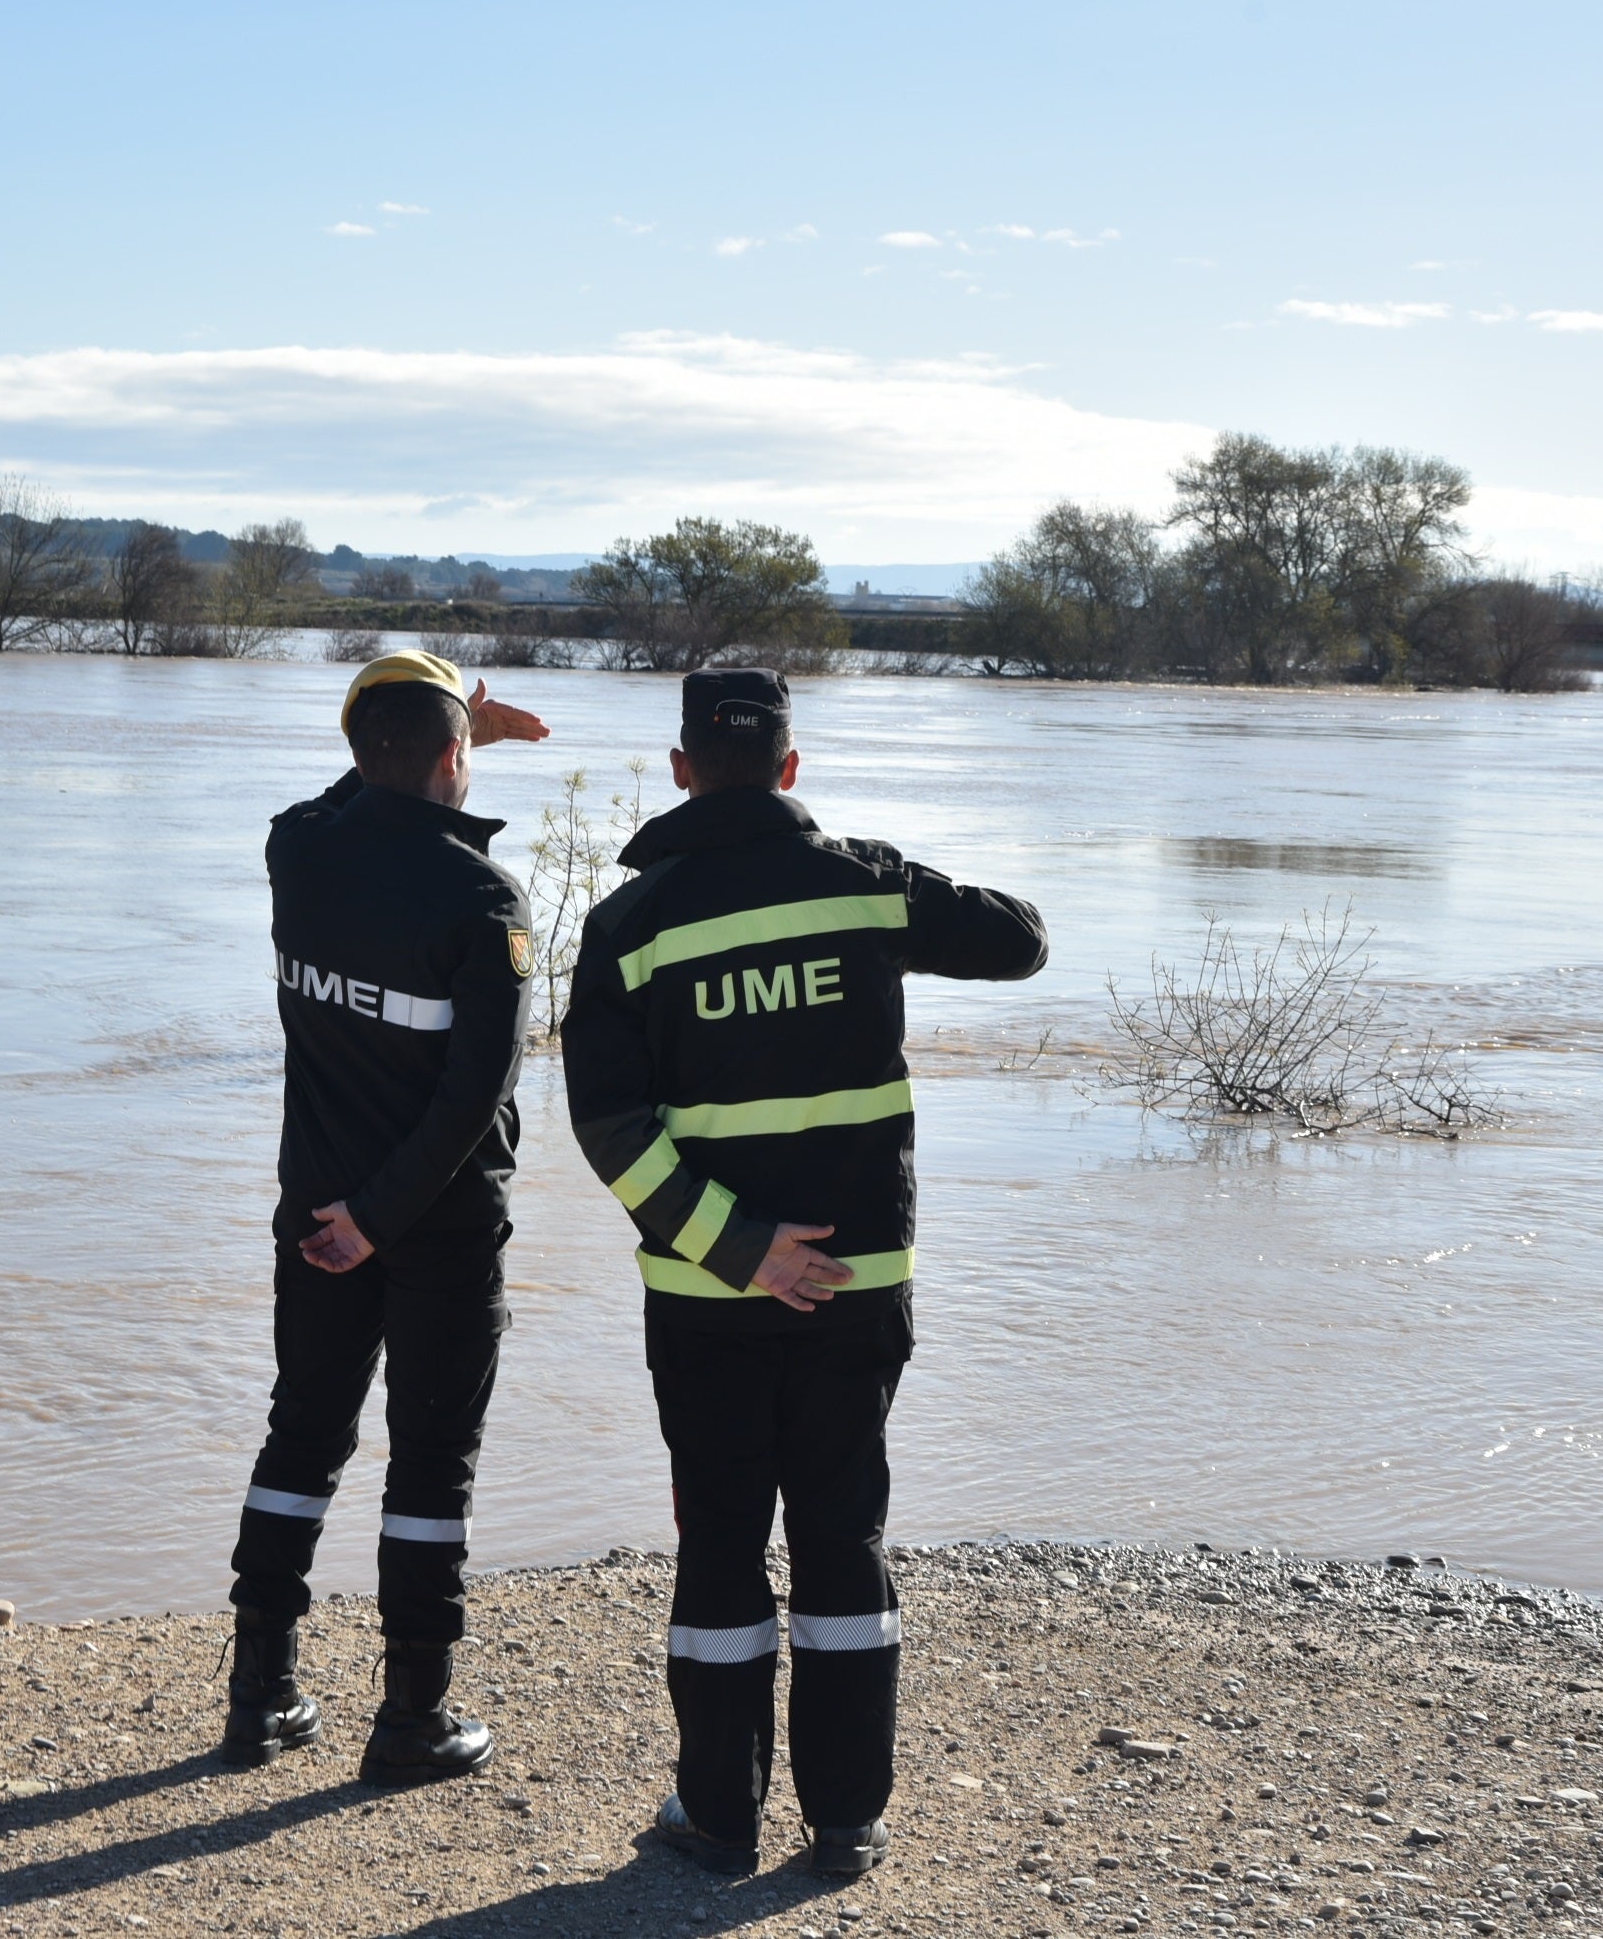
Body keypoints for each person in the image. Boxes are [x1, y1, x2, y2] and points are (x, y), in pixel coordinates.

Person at [559, 668, 1049, 1874]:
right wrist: (876, 878)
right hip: (855, 1287)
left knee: (719, 1538)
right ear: (789, 767)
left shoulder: (629, 925)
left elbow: (608, 1124)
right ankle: (846, 1816)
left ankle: (717, 1818)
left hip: (704, 1296)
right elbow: (1021, 940)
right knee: (842, 1532)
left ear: (680, 769)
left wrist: (738, 1249)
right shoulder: (865, 885)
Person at [223, 650, 548, 1785]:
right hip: (436, 1222)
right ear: (457, 755)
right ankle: (410, 1717)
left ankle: (257, 1692)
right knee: (430, 1466)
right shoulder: (480, 897)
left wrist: (435, 727)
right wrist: (377, 1219)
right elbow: (477, 1093)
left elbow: (343, 790)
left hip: (312, 1210)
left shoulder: (296, 848)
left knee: (300, 1434)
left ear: (361, 752)